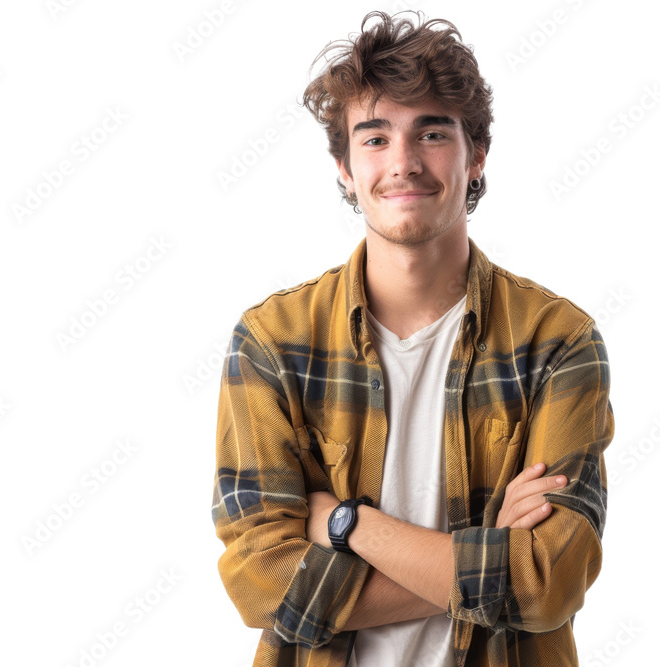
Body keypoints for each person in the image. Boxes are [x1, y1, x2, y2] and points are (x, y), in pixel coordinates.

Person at [212, 10, 614, 666]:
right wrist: (490, 553)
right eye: (374, 138)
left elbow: (549, 583)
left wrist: (347, 525)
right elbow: (260, 581)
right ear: (344, 167)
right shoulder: (273, 342)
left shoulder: (557, 342)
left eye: (431, 132)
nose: (403, 163)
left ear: (475, 153)